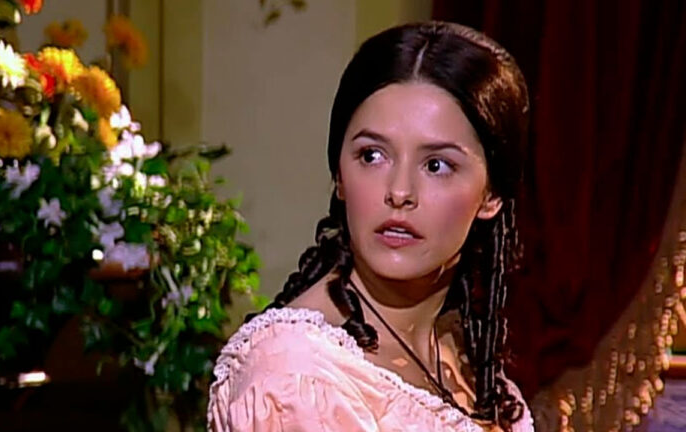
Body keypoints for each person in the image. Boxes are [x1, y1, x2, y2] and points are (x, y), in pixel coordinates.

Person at [208, 21, 534, 432]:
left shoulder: (464, 355)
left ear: (491, 196)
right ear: (339, 176)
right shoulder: (297, 378)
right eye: (372, 156)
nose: (399, 192)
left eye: (436, 165)